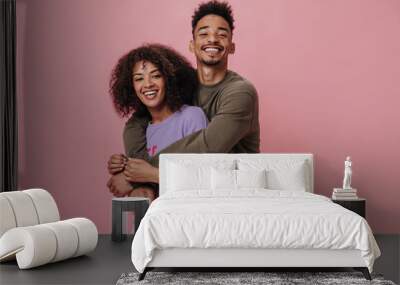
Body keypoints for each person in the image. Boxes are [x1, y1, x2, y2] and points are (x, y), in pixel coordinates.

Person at [107, 0, 260, 198]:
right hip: (186, 180)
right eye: (203, 33)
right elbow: (141, 119)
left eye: (222, 34)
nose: (212, 39)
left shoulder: (240, 92)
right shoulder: (180, 84)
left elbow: (208, 146)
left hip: (232, 185)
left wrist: (137, 175)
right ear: (192, 45)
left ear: (231, 46)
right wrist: (129, 167)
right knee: (142, 195)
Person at [107, 44, 208, 201]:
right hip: (155, 218)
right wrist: (122, 166)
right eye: (139, 78)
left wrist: (134, 180)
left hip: (189, 213)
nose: (148, 84)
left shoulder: (191, 116)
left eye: (156, 75)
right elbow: (143, 182)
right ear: (131, 87)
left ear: (169, 78)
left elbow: (203, 177)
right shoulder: (139, 130)